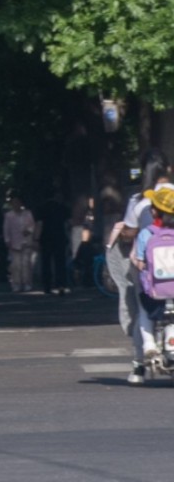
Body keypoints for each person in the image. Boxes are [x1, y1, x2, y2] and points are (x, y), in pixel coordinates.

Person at [112, 162, 174, 384]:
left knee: (143, 311)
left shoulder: (139, 203)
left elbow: (135, 251)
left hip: (154, 283)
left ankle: (140, 362)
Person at [131, 187, 174, 380]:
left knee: (144, 310)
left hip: (155, 292)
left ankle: (148, 345)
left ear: (154, 211)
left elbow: (140, 262)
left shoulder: (146, 234)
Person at [38, 192, 72, 295]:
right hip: (60, 237)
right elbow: (68, 223)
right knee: (60, 262)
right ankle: (61, 284)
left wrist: (36, 238)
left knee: (46, 262)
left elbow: (39, 224)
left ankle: (47, 286)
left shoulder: (42, 208)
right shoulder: (62, 207)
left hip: (46, 238)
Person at [3, 193, 37, 293]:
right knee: (15, 265)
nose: (16, 204)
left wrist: (29, 231)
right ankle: (16, 284)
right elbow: (6, 228)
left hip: (26, 241)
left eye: (18, 202)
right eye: (14, 203)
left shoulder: (28, 213)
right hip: (14, 243)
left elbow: (32, 225)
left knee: (26, 264)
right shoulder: (8, 216)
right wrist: (7, 240)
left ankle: (27, 283)